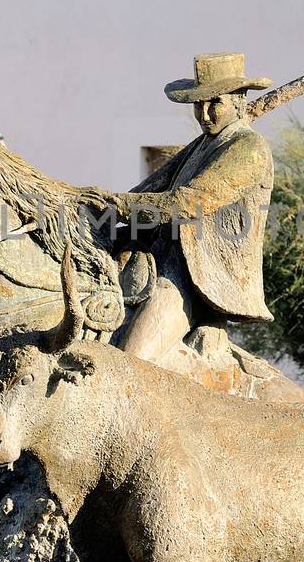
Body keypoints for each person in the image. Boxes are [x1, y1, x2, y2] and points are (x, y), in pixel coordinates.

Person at [99, 52, 276, 363]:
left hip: (195, 277)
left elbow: (186, 203)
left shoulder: (249, 149)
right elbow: (147, 191)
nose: (204, 114)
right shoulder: (203, 145)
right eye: (198, 105)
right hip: (161, 255)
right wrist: (95, 208)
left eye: (214, 104)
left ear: (238, 101)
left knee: (131, 361)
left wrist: (117, 205)